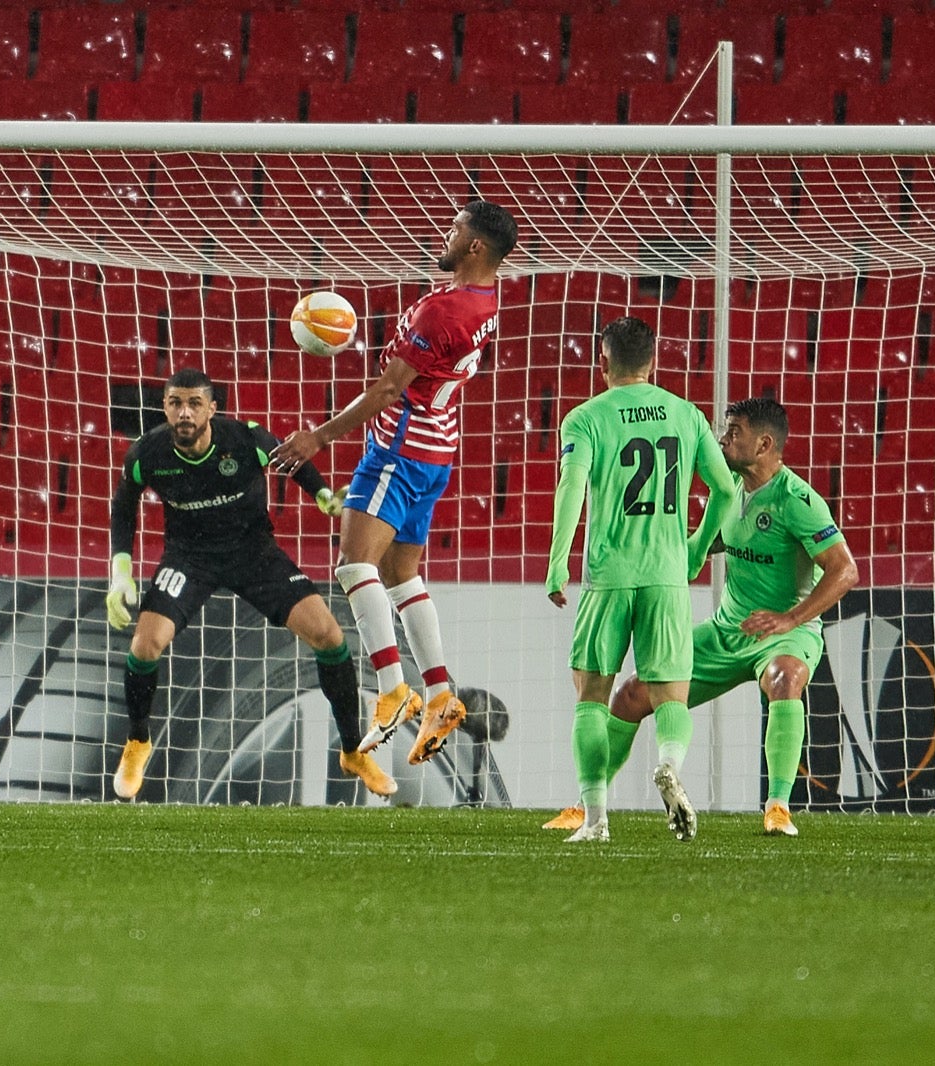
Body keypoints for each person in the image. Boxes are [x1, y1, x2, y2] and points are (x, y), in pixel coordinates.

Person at [269, 200, 519, 766]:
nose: (446, 234)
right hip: (438, 448)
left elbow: (386, 391)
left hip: (398, 450)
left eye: (455, 229)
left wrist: (319, 437)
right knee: (401, 574)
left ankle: (391, 689)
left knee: (355, 566)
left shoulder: (445, 311)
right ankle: (439, 695)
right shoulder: (485, 301)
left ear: (475, 246)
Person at [542, 396, 857, 838]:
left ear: (765, 443)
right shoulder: (726, 489)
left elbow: (845, 569)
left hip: (787, 633)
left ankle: (778, 807)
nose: (723, 440)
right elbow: (700, 546)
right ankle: (586, 805)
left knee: (785, 677)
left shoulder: (798, 501)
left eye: (734, 433)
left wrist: (791, 619)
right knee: (631, 695)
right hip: (730, 629)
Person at [104, 368, 396, 801]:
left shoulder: (245, 439)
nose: (184, 413)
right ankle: (138, 742)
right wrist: (120, 572)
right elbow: (123, 507)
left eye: (194, 404)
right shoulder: (147, 453)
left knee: (330, 636)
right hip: (190, 557)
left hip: (253, 552)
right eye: (175, 404)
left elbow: (291, 461)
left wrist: (322, 497)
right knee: (145, 646)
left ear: (211, 409)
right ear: (164, 407)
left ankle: (353, 750)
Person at [545, 316, 739, 843]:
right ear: (654, 362)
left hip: (609, 576)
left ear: (602, 362)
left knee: (591, 699)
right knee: (670, 697)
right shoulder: (686, 414)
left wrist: (558, 561)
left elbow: (572, 487)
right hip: (667, 577)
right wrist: (696, 551)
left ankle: (596, 820)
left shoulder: (585, 419)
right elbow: (725, 491)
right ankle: (670, 764)